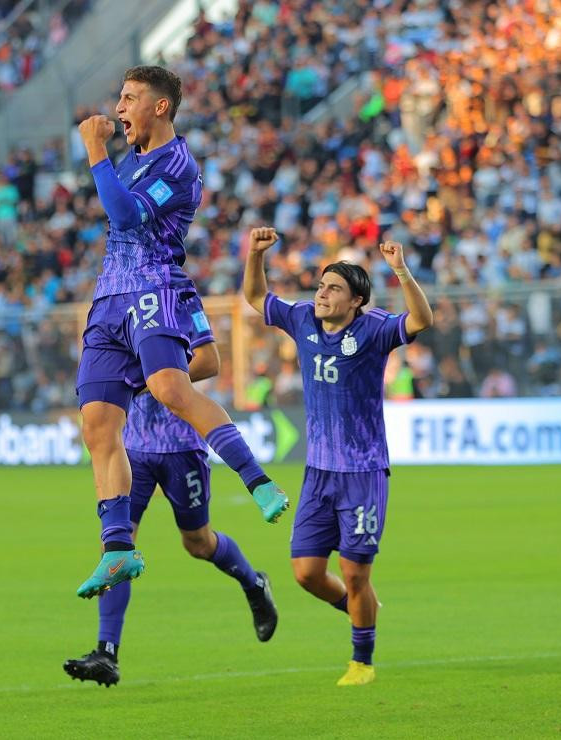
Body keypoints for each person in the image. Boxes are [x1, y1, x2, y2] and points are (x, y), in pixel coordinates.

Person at [74, 66, 288, 599]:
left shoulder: (178, 164)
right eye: (118, 97)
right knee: (97, 424)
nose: (119, 107)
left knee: (171, 388)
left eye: (129, 98)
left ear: (160, 106)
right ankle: (118, 548)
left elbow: (125, 217)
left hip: (152, 288)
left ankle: (258, 481)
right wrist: (107, 156)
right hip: (108, 299)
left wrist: (94, 152)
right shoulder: (132, 159)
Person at [242, 228, 433, 686]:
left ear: (355, 302)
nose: (322, 293)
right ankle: (359, 606)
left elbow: (421, 320)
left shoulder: (374, 329)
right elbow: (255, 296)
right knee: (307, 573)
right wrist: (254, 255)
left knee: (354, 571)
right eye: (322, 285)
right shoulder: (303, 319)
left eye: (333, 289)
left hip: (363, 472)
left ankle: (362, 660)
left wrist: (402, 270)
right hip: (318, 473)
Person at [64, 294, 278, 686]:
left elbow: (209, 359)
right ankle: (106, 652)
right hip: (135, 450)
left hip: (182, 447)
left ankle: (253, 582)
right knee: (116, 546)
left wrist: (155, 378)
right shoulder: (115, 301)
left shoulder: (176, 299)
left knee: (197, 542)